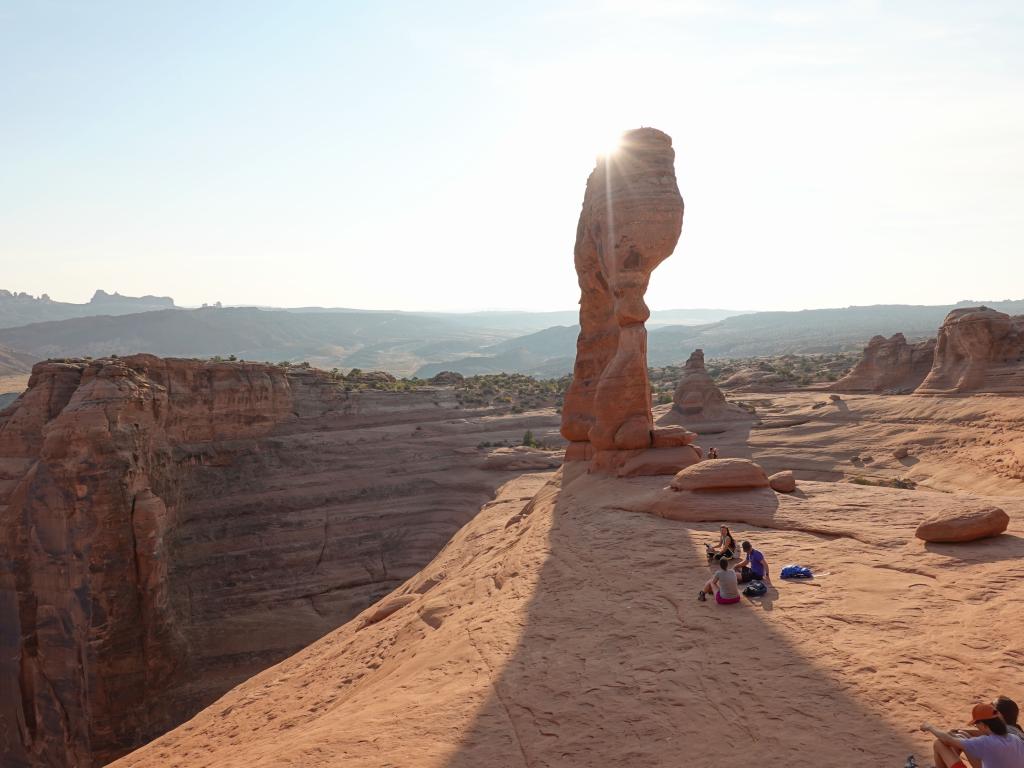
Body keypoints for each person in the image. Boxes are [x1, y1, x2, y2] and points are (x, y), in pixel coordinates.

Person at [921, 703, 1024, 767]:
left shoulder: (986, 742)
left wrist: (930, 727)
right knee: (962, 736)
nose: (976, 727)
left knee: (939, 744)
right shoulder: (1014, 739)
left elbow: (948, 740)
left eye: (976, 724)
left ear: (983, 725)